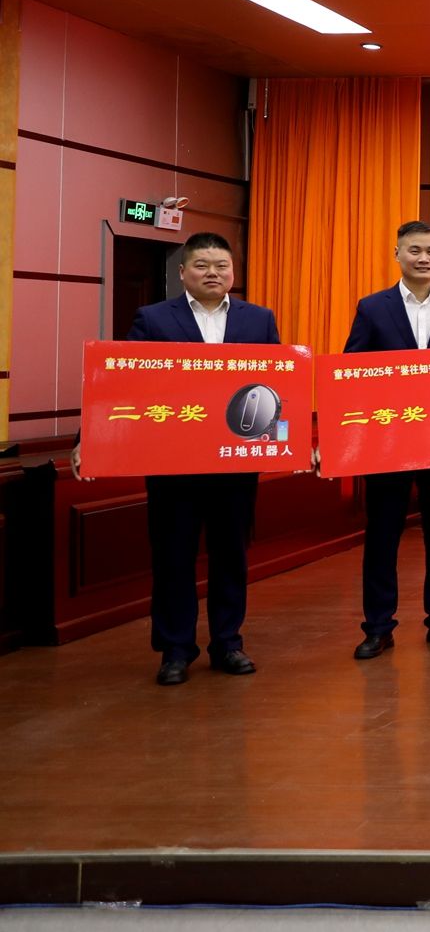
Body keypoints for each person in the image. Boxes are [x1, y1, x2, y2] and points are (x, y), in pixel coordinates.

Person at [114, 233, 281, 685]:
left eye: (221, 265)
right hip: (173, 465)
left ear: (233, 272)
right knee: (173, 557)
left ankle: (228, 642)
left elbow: (276, 388)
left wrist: (287, 440)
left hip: (234, 463)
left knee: (231, 555)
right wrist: (85, 439)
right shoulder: (153, 319)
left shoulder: (259, 320)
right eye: (203, 265)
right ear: (183, 271)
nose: (213, 273)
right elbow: (122, 383)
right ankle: (175, 649)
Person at [344, 220, 430, 660]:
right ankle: (378, 627)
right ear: (397, 254)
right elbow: (352, 371)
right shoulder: (373, 308)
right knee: (382, 534)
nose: (424, 258)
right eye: (415, 250)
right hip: (388, 444)